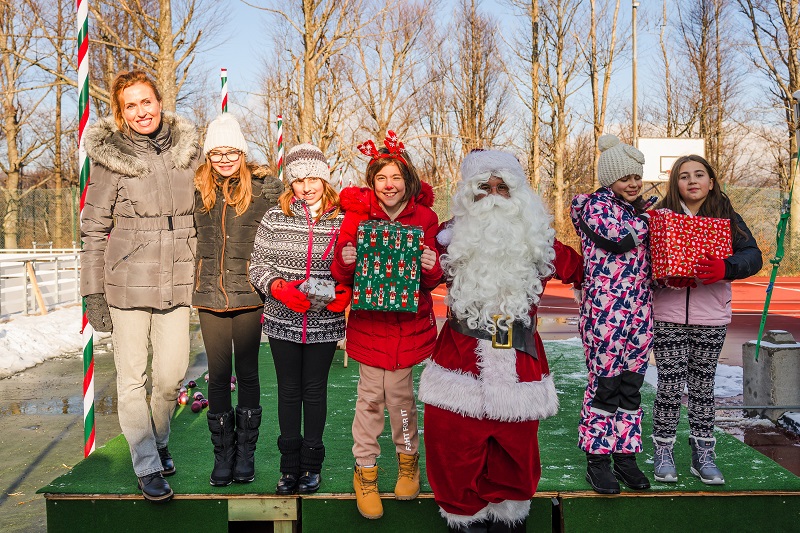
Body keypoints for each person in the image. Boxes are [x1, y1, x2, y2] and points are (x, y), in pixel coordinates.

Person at [419, 149, 582, 533]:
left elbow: (584, 269)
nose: (493, 196)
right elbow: (422, 279)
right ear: (468, 195)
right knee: (453, 449)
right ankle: (464, 519)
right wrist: (425, 268)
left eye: (502, 187)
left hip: (519, 361)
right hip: (459, 362)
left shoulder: (538, 238)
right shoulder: (446, 236)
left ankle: (510, 521)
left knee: (516, 456)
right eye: (483, 189)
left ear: (518, 192)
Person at [81, 70, 202, 502]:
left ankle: (160, 436)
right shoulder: (110, 159)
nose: (140, 111)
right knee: (133, 379)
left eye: (146, 101)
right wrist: (92, 292)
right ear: (120, 112)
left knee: (170, 377)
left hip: (178, 281)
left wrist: (263, 185)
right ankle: (147, 465)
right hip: (127, 284)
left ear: (159, 102)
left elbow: (217, 195)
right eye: (130, 105)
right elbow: (93, 229)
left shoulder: (187, 152)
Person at [331, 132, 441, 520]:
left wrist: (432, 267)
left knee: (401, 399)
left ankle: (408, 462)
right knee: (370, 400)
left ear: (407, 181)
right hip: (369, 326)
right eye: (381, 178)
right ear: (372, 182)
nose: (389, 185)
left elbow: (430, 280)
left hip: (408, 330)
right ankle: (366, 472)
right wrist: (346, 259)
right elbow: (342, 273)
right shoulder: (357, 218)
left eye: (396, 177)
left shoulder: (425, 218)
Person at [651, 155, 762, 485]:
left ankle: (703, 453)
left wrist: (726, 268)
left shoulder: (726, 216)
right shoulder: (660, 216)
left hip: (711, 315)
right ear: (676, 184)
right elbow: (644, 259)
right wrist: (663, 277)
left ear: (711, 182)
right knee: (669, 385)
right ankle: (664, 450)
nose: (692, 181)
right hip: (668, 314)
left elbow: (752, 255)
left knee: (702, 386)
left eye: (699, 175)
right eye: (684, 176)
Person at [249, 143, 349, 495]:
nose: (307, 187)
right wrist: (276, 286)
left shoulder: (342, 219)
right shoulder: (275, 217)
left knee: (315, 391)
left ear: (325, 179)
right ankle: (289, 468)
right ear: (290, 183)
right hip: (282, 320)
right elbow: (257, 264)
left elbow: (353, 265)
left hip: (324, 323)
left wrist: (345, 291)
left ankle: (312, 466)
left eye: (313, 179)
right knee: (289, 392)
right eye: (299, 180)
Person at [193, 113, 283, 487]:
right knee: (217, 376)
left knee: (247, 373)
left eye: (232, 151)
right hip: (210, 296)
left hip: (249, 296)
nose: (225, 158)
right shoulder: (196, 188)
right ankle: (223, 456)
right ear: (208, 156)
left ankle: (245, 454)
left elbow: (292, 216)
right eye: (217, 153)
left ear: (243, 153)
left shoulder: (265, 189)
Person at [570, 134, 656, 495]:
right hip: (605, 313)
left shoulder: (638, 210)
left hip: (640, 313)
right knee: (605, 387)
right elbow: (618, 240)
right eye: (626, 177)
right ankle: (597, 460)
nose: (634, 183)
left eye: (637, 176)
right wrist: (651, 220)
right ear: (609, 179)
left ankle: (626, 456)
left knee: (630, 388)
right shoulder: (592, 206)